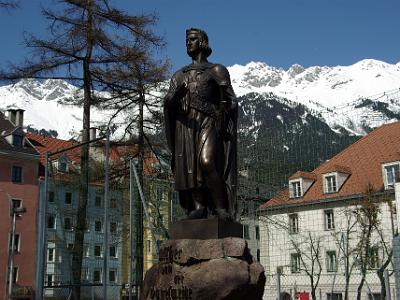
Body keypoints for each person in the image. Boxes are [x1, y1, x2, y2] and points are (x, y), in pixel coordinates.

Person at [164, 28, 237, 220]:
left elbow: (232, 100)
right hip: (185, 126)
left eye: (193, 39)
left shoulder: (216, 70)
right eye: (187, 40)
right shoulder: (179, 75)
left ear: (203, 42)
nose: (188, 43)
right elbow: (168, 102)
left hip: (207, 123)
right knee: (189, 167)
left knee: (206, 162)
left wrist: (224, 110)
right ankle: (198, 206)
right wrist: (175, 97)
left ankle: (221, 207)